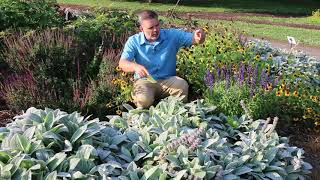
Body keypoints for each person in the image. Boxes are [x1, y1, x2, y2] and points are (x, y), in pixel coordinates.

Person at [119, 10, 206, 109]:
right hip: (145, 81)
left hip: (168, 80)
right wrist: (135, 67)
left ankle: (173, 114)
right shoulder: (134, 41)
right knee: (143, 100)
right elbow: (122, 63)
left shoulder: (172, 35)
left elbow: (194, 39)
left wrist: (199, 37)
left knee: (182, 85)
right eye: (151, 28)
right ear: (141, 29)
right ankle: (145, 119)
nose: (155, 30)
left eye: (157, 25)